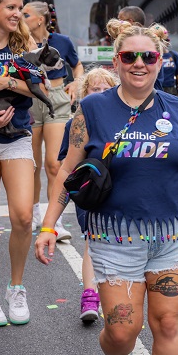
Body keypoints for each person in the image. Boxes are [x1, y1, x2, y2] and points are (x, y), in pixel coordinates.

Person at [35, 20, 178, 355]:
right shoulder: (92, 110)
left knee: (167, 324)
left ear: (160, 60)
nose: (139, 63)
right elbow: (67, 172)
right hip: (115, 237)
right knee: (122, 332)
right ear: (116, 62)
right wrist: (47, 226)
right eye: (129, 56)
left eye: (148, 56)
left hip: (175, 234)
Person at [56, 66, 118, 322]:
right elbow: (66, 165)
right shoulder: (76, 123)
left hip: (121, 192)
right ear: (84, 94)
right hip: (92, 194)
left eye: (106, 88)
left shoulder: (126, 119)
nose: (101, 93)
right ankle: (90, 296)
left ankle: (115, 297)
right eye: (95, 89)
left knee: (118, 245)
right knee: (93, 242)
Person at [0, 0, 43, 327]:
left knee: (24, 217)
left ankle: (16, 287)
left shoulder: (25, 46)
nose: (17, 13)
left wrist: (7, 83)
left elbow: (41, 90)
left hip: (17, 138)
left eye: (20, 8)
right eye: (11, 7)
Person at [22, 2, 84, 240]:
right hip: (29, 100)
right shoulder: (18, 41)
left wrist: (76, 82)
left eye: (26, 14)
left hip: (57, 100)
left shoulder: (62, 41)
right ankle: (35, 214)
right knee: (33, 165)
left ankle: (54, 220)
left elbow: (76, 65)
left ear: (40, 19)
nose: (21, 16)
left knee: (54, 164)